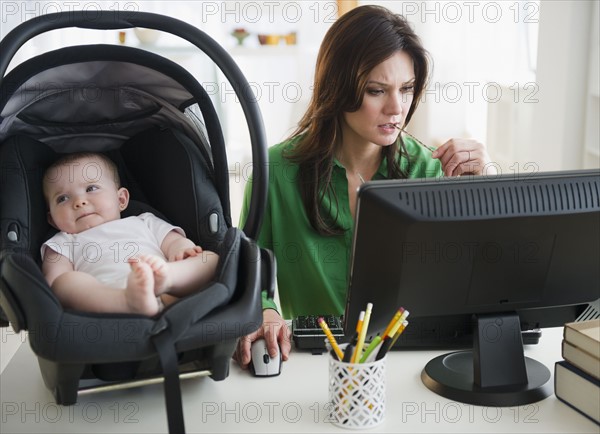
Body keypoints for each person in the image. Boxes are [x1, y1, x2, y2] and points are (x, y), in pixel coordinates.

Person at [234, 5, 496, 367]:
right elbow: (247, 269)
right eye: (376, 90)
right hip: (314, 363)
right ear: (338, 88)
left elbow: (471, 281)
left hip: (411, 361)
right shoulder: (276, 170)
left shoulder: (427, 168)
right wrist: (265, 313)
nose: (396, 108)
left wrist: (484, 186)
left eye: (406, 89)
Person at [41, 152, 219, 316]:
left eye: (91, 188)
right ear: (52, 219)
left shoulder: (144, 221)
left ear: (121, 199)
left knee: (210, 258)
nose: (79, 202)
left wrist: (182, 250)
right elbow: (53, 281)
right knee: (64, 283)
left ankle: (167, 282)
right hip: (106, 296)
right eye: (62, 198)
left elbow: (174, 242)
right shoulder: (63, 241)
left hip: (163, 278)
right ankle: (127, 301)